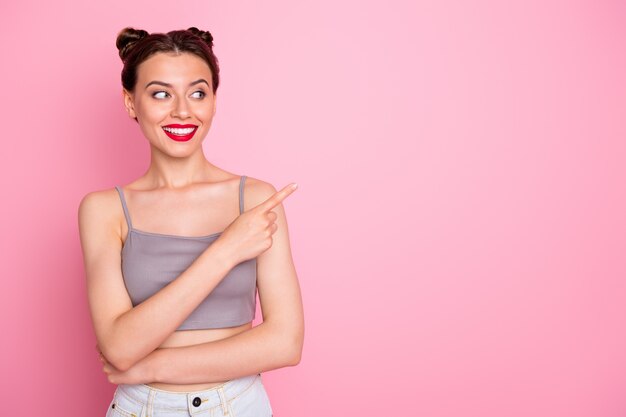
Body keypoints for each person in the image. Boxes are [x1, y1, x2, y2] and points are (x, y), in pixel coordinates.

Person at [77, 26, 304, 417]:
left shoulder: (255, 199)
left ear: (214, 101)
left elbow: (285, 343)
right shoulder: (104, 210)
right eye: (161, 93)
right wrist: (226, 249)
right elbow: (118, 346)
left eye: (197, 92)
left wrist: (153, 366)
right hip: (141, 408)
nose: (182, 110)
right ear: (131, 103)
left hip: (238, 405)